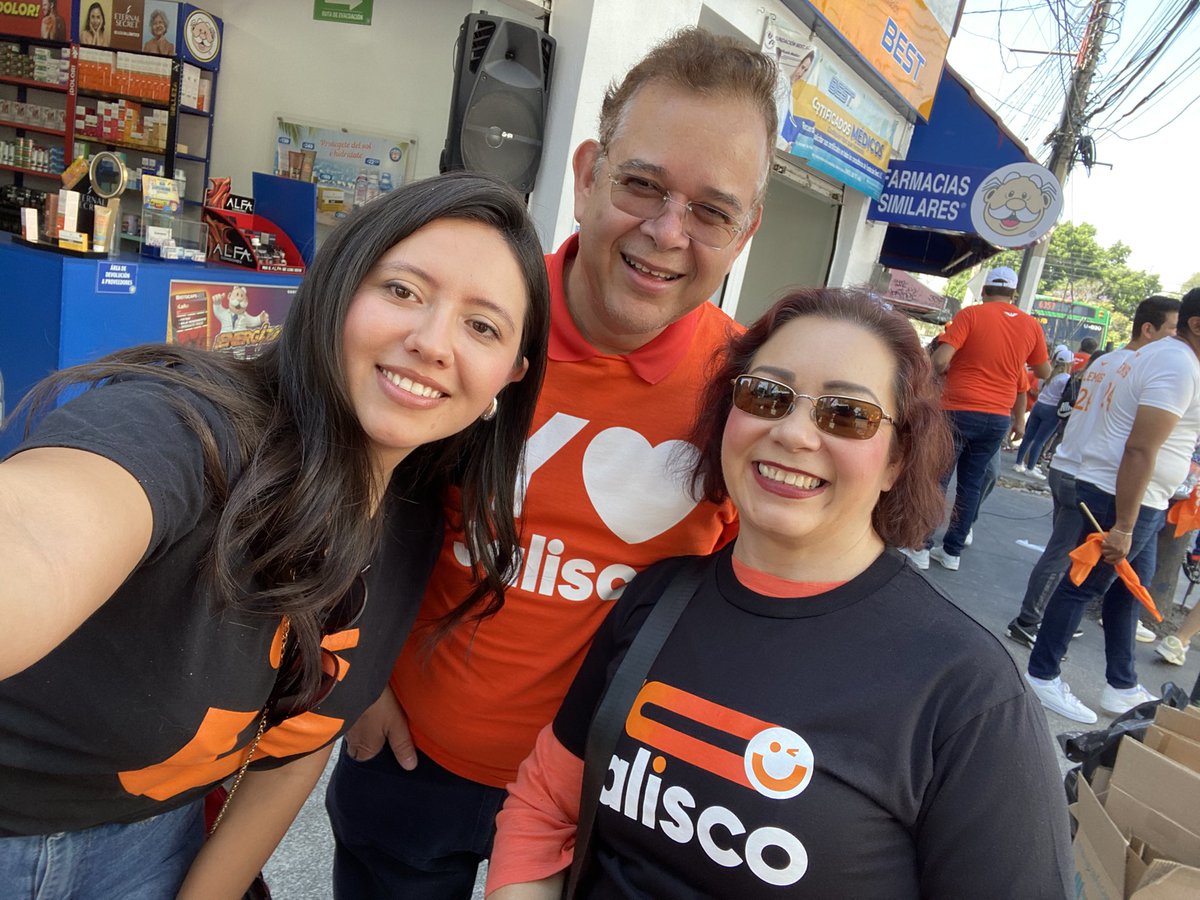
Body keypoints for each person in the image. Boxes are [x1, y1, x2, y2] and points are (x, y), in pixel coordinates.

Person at [0, 171, 551, 899]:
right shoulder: (191, 428)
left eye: (482, 326)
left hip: (156, 842)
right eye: (403, 291)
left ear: (507, 379)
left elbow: (297, 748)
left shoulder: (416, 522)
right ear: (336, 291)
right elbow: (37, 538)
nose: (431, 342)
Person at [325, 27, 775, 898]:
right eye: (641, 184)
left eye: (711, 211)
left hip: (608, 793)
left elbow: (761, 590)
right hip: (411, 759)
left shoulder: (752, 393)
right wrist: (357, 675)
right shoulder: (470, 325)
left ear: (746, 230)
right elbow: (348, 483)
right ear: (587, 174)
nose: (666, 233)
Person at [486, 289, 1073, 899]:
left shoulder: (969, 692)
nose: (793, 433)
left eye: (847, 414)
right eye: (767, 395)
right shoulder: (656, 600)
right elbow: (547, 806)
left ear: (898, 459)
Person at [1026, 288, 1200, 724]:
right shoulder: (1176, 364)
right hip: (1122, 499)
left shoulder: (1166, 357)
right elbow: (1139, 448)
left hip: (1140, 498)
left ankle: (1120, 684)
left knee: (1127, 592)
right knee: (1082, 585)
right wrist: (1123, 524)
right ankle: (1042, 675)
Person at [1006, 295, 1180, 649]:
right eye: (1172, 331)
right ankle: (1030, 621)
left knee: (1067, 553)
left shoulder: (1106, 362)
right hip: (1084, 470)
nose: (1177, 342)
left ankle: (1051, 619)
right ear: (1148, 329)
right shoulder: (1141, 367)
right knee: (1063, 555)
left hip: (1069, 461)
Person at [902, 265, 1050, 572]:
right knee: (971, 485)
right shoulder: (1031, 326)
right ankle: (952, 552)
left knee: (938, 479)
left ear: (984, 291)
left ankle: (921, 547)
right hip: (996, 417)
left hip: (957, 408)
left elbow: (941, 360)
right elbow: (1044, 372)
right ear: (1014, 294)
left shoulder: (971, 315)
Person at [1013, 346, 1077, 476]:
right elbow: (1066, 396)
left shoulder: (1048, 375)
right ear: (1069, 363)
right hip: (1052, 409)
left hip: (1039, 405)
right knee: (1040, 441)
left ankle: (1019, 462)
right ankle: (1030, 468)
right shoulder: (1065, 379)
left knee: (1028, 436)